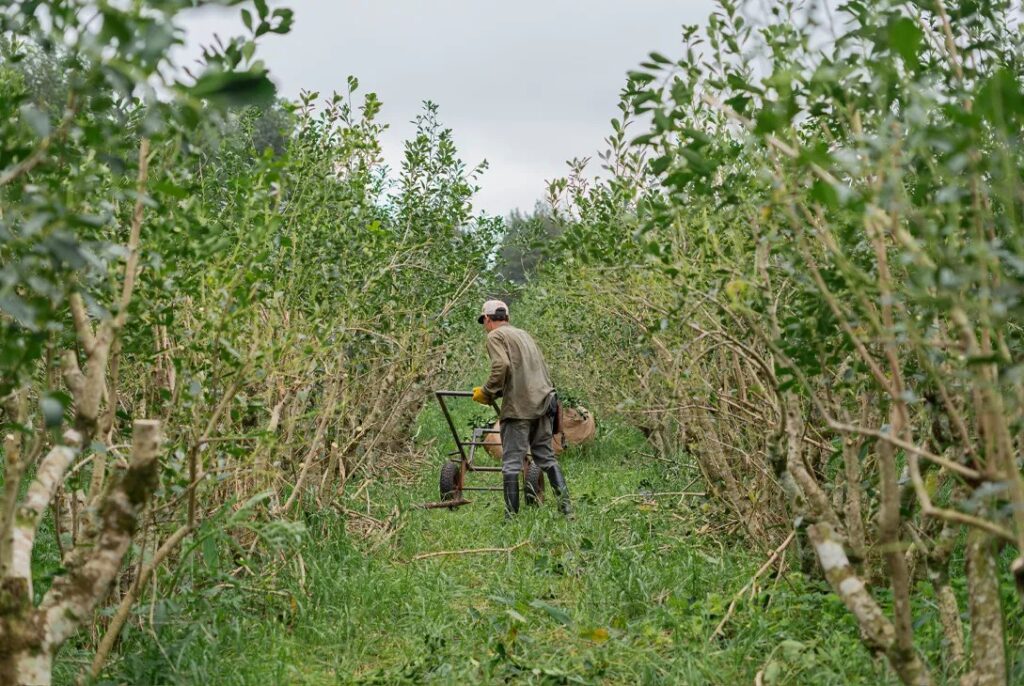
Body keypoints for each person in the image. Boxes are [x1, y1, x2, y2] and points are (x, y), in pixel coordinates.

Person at [472, 299, 572, 518]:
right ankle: (566, 510)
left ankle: (511, 518)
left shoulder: (495, 336)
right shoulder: (524, 335)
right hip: (544, 403)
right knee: (546, 458)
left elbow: (502, 366)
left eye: (484, 322)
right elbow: (528, 372)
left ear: (487, 319)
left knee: (511, 464)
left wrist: (487, 392)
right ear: (507, 317)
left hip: (519, 408)